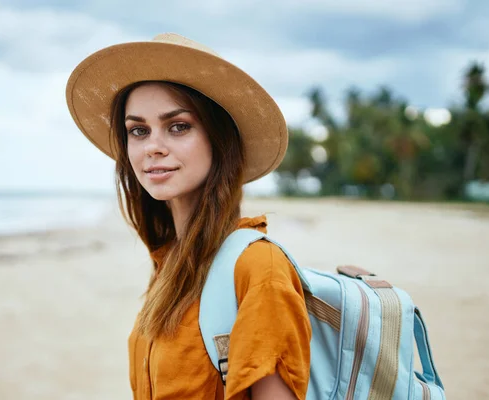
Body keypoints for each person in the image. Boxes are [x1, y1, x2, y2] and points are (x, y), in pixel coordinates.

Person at [65, 33, 311, 400]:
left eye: (178, 126)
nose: (153, 147)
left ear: (218, 138)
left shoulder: (259, 268)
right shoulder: (170, 261)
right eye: (138, 130)